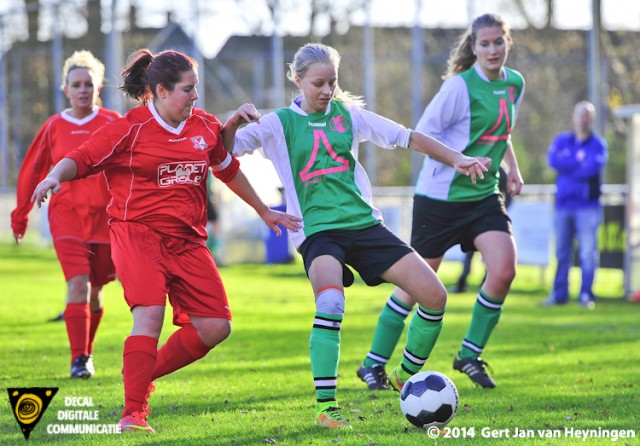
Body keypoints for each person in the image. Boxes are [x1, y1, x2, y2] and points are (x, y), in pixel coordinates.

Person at [31, 48, 301, 433]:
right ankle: (133, 413)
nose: (195, 97)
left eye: (196, 89)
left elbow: (226, 167)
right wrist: (55, 176)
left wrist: (264, 210)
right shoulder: (130, 128)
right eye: (187, 90)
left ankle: (141, 374)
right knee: (150, 314)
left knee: (215, 327)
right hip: (136, 233)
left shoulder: (204, 126)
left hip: (188, 241)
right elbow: (82, 156)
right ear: (160, 90)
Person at [225, 42, 490, 429]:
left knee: (435, 296)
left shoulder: (350, 116)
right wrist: (232, 124)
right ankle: (326, 407)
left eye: (332, 82)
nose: (326, 90)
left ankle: (404, 375)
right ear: (297, 80)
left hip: (365, 226)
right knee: (330, 303)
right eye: (318, 83)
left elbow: (408, 137)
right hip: (316, 231)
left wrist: (457, 158)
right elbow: (222, 152)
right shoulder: (277, 123)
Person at [357, 13, 525, 391]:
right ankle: (373, 363)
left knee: (504, 270)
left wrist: (512, 168)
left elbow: (502, 131)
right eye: (485, 43)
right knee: (418, 288)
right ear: (474, 47)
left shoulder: (515, 83)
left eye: (499, 41)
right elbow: (424, 136)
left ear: (507, 43)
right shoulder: (457, 88)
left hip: (484, 196)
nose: (493, 49)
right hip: (440, 200)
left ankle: (469, 354)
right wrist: (459, 161)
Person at [11, 50, 121, 379]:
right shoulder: (54, 126)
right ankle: (80, 359)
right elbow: (33, 170)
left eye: (89, 83)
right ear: (66, 89)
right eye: (77, 84)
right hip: (66, 217)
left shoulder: (114, 123)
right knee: (78, 285)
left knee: (96, 292)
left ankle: (87, 351)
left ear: (99, 86)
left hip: (105, 220)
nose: (83, 90)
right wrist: (21, 213)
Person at [542, 101, 607, 309]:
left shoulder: (598, 144)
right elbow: (553, 161)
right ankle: (559, 295)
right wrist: (578, 162)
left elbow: (591, 169)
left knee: (587, 253)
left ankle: (586, 295)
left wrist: (568, 164)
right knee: (561, 253)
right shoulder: (562, 140)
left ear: (592, 119)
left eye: (588, 115)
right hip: (562, 206)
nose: (584, 118)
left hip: (587, 207)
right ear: (573, 117)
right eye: (581, 114)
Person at [451, 166, 513, 293]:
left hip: (489, 221)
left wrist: (499, 210)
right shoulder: (476, 166)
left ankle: (485, 284)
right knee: (469, 254)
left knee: (489, 257)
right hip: (473, 219)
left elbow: (509, 196)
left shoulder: (499, 171)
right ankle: (462, 283)